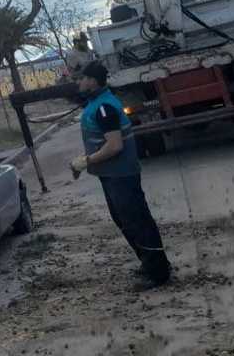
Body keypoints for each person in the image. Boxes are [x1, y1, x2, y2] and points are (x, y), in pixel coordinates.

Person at [70, 63, 171, 289]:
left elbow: (114, 146)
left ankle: (158, 274)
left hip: (120, 174)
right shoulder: (98, 103)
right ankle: (150, 264)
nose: (78, 82)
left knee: (137, 221)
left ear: (93, 81)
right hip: (112, 175)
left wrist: (85, 161)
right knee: (125, 220)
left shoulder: (104, 107)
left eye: (81, 78)